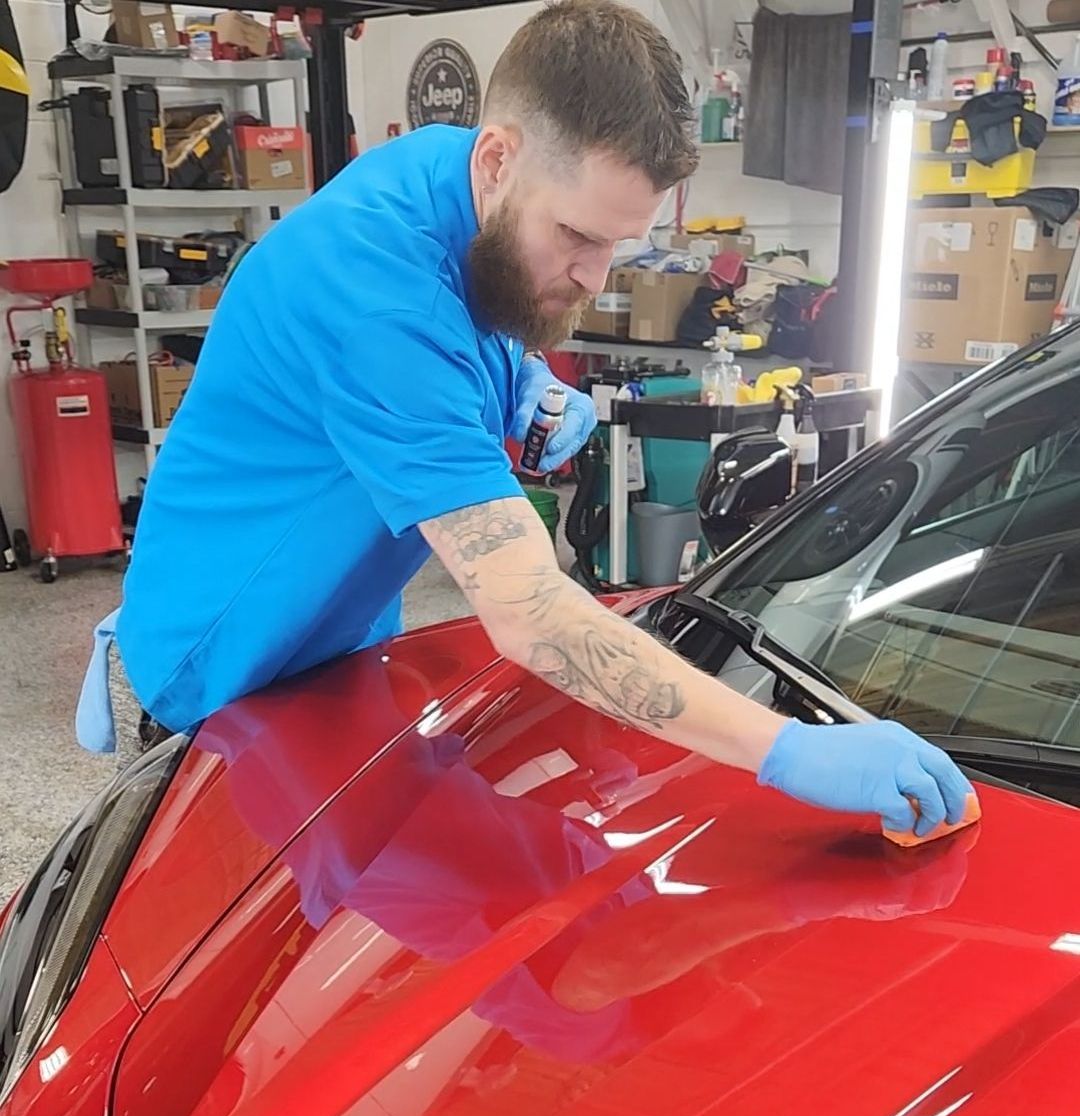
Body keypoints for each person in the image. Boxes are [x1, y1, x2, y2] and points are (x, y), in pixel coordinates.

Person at [76, 0, 970, 839]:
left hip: (333, 655)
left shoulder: (449, 173)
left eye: (620, 244)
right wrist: (784, 747)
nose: (594, 277)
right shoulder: (380, 304)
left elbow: (475, 317)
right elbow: (532, 615)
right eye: (578, 237)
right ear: (500, 161)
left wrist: (526, 381)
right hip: (216, 682)